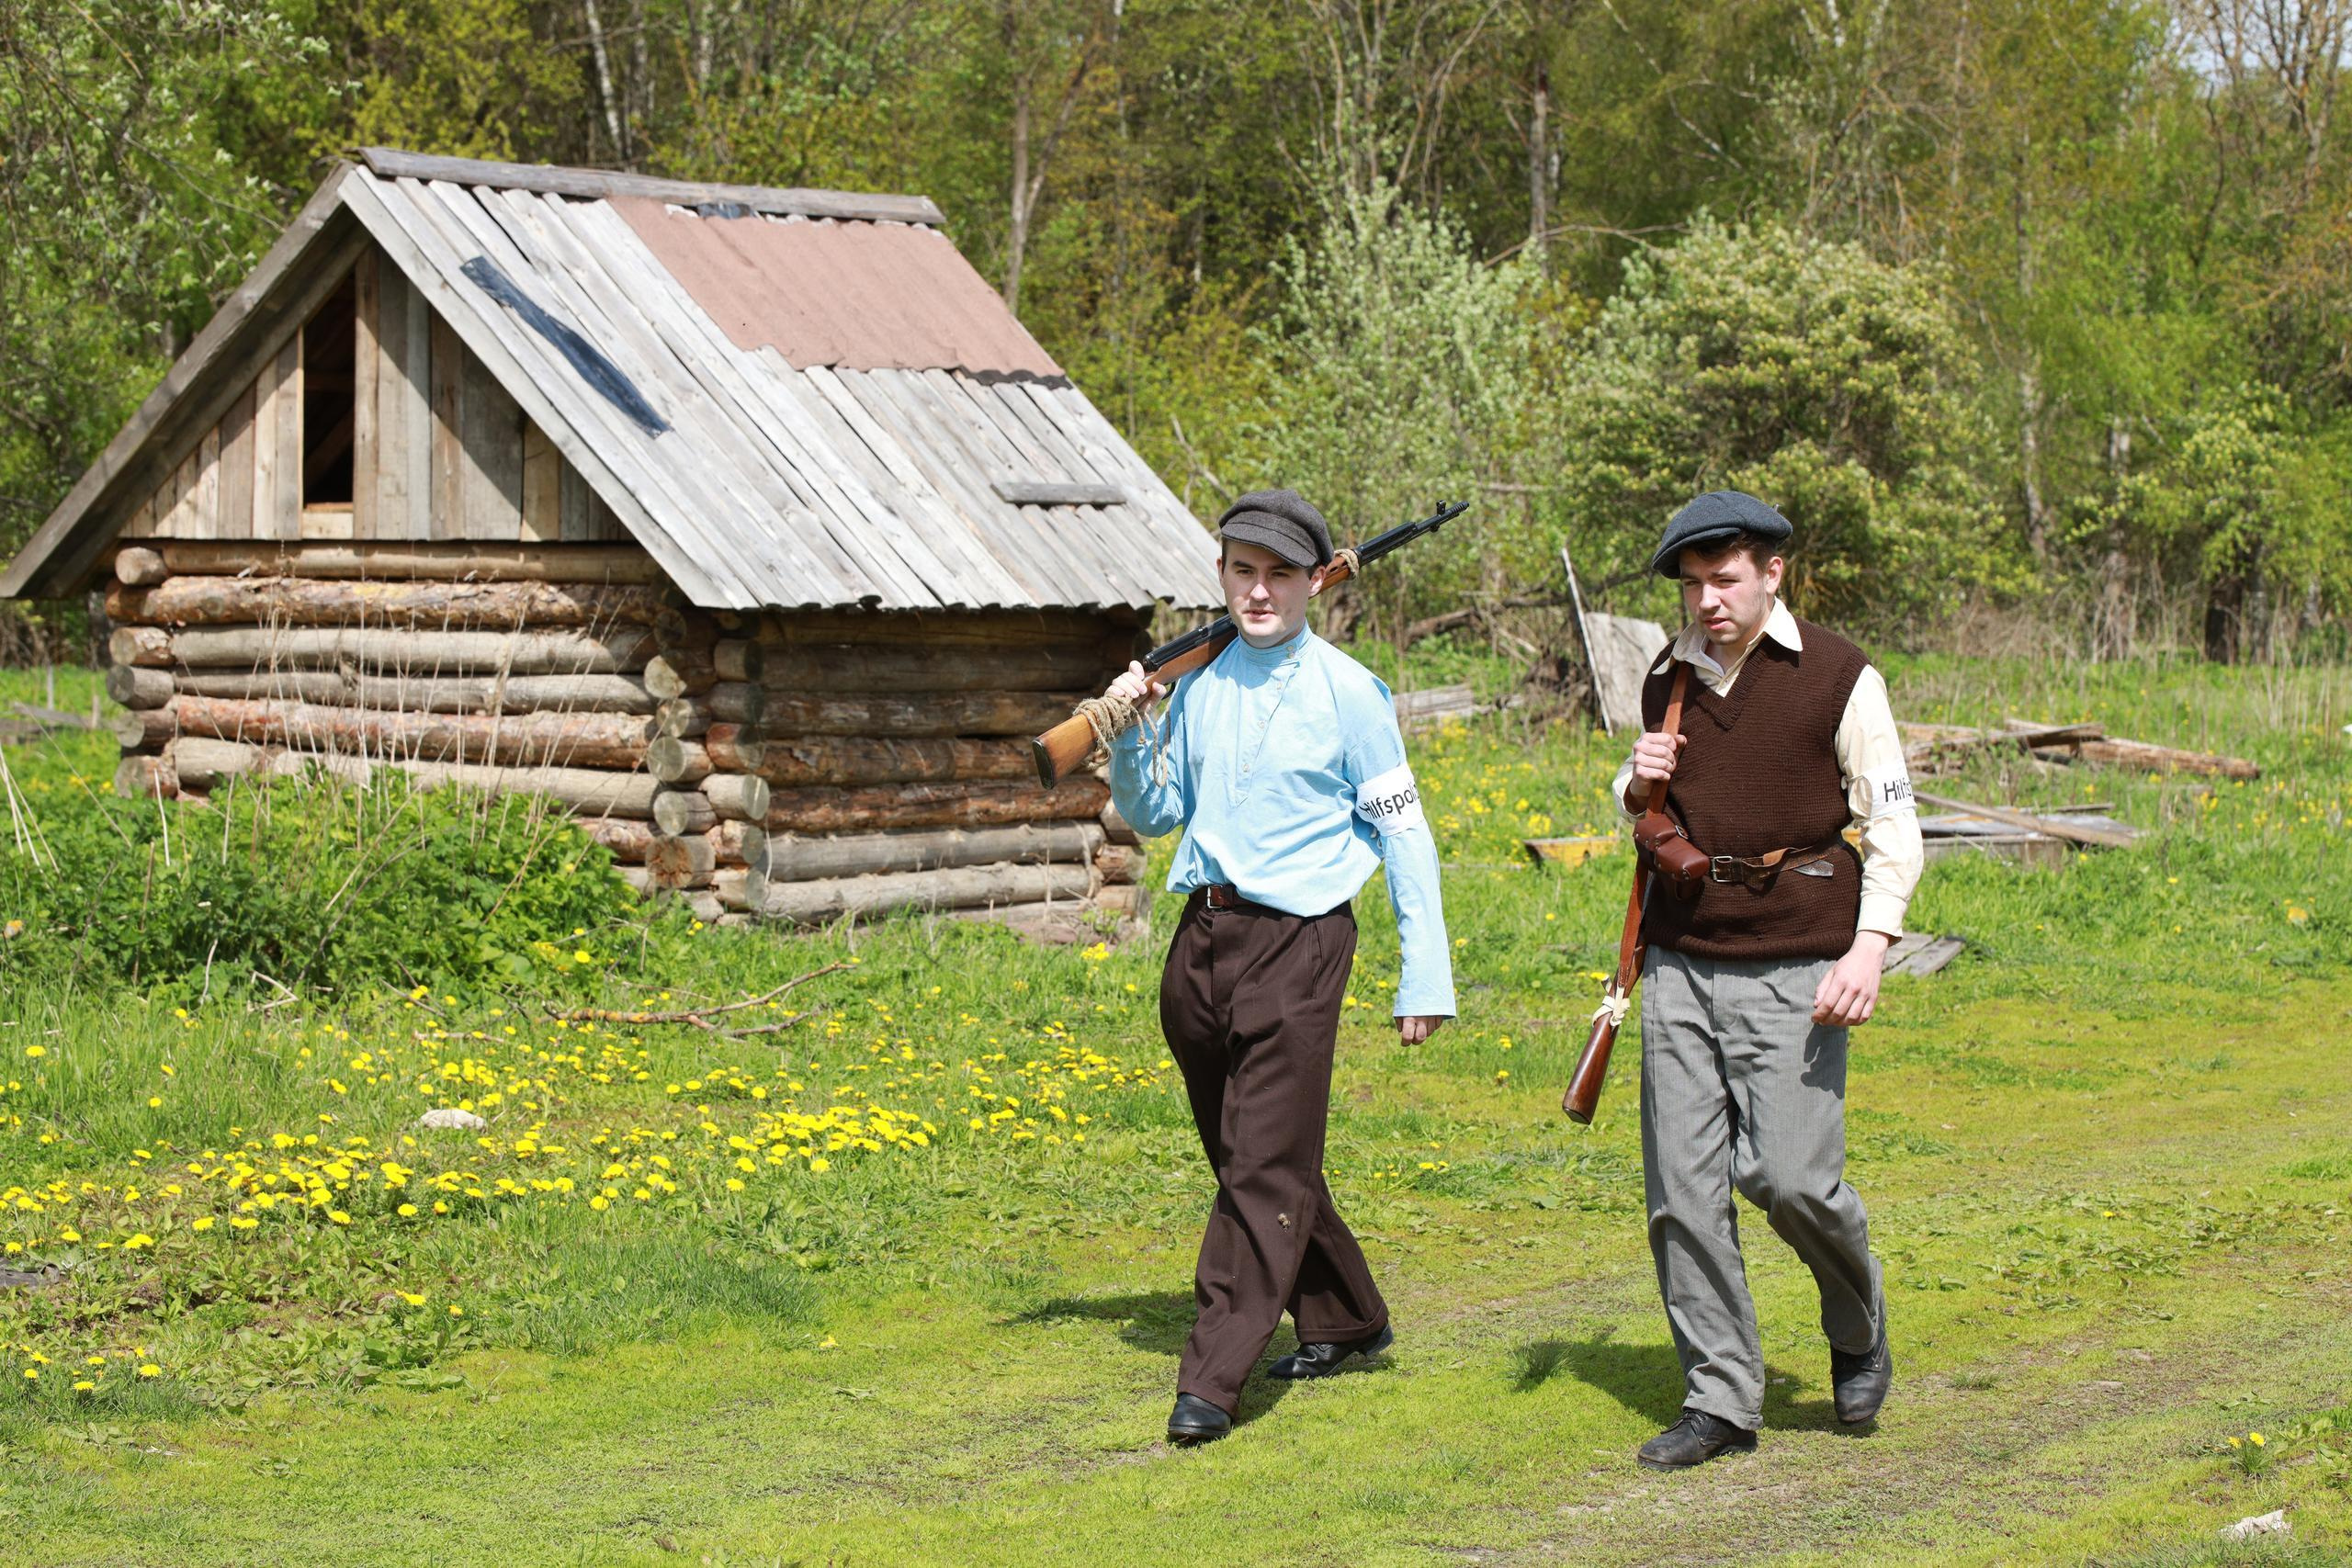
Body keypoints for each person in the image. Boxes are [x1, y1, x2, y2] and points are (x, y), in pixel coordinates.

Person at [1102, 488, 1454, 1446]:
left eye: (1280, 575)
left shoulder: (1351, 693)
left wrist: (1424, 974)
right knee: (1252, 1152)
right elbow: (1156, 813)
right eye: (1243, 571)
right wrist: (1130, 731)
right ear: (1221, 576)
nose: (1259, 592)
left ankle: (1213, 1377)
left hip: (1301, 944)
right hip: (1201, 939)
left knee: (1261, 1162)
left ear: (1314, 582)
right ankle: (1347, 1315)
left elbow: (1406, 837)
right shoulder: (1199, 684)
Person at [1610, 490, 1923, 1470]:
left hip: (1800, 961)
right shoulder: (1667, 676)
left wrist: (1869, 947)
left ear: (1772, 572)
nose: (1706, 601)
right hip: (1680, 961)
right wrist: (1636, 778)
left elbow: (1893, 824)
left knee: (1790, 1180)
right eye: (1692, 585)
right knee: (1681, 1193)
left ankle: (1857, 1319)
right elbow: (1646, 810)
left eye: (1724, 580)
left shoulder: (1838, 675)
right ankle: (1720, 1398)